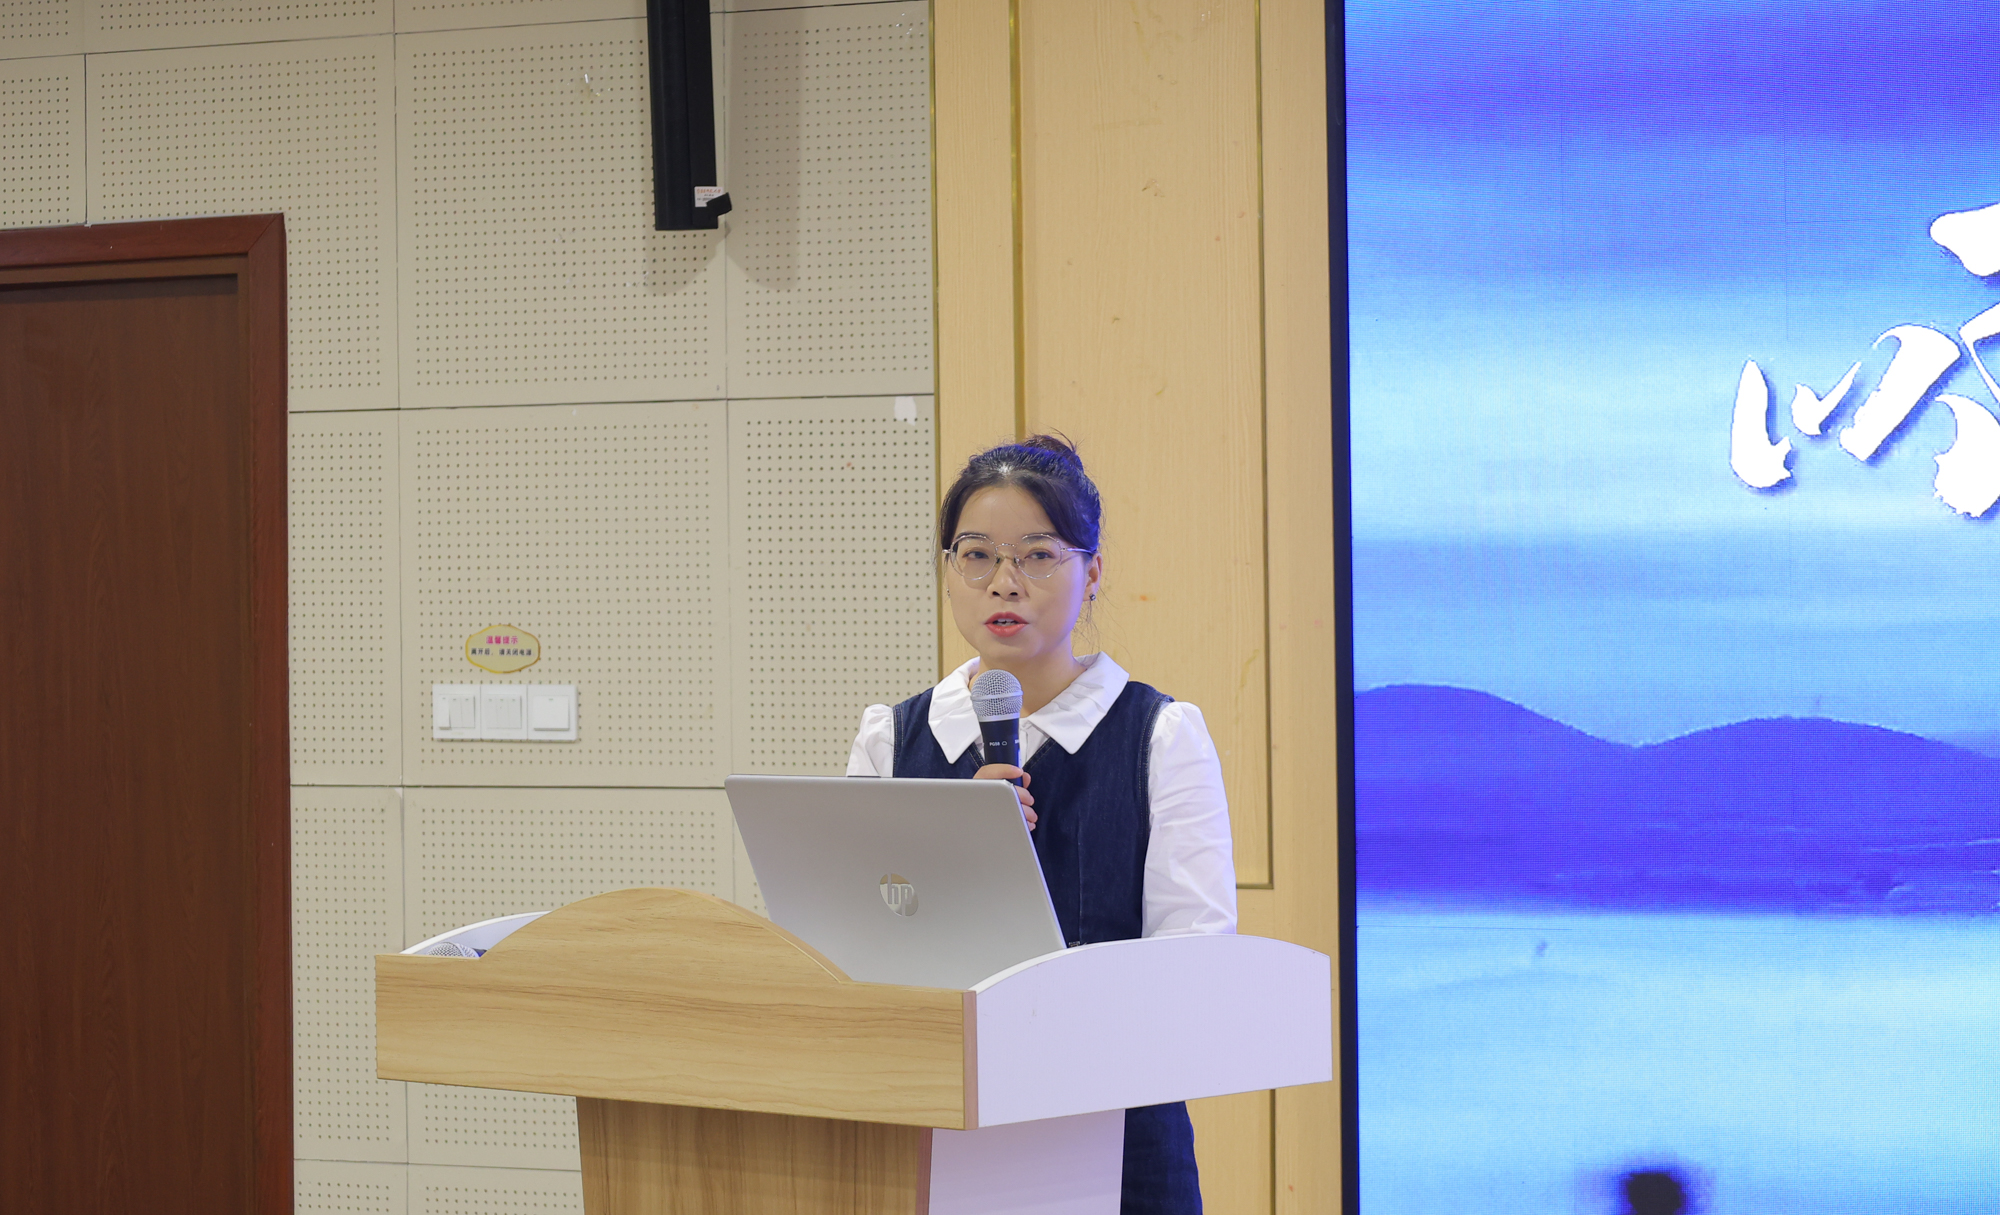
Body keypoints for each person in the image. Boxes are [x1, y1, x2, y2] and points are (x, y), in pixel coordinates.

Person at [846, 434, 1236, 1215]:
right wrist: (948, 859)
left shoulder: (1159, 735)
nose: (1004, 581)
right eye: (976, 555)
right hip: (933, 1133)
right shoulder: (892, 737)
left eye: (1037, 555)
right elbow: (851, 946)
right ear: (948, 571)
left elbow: (1194, 965)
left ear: (1092, 573)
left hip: (1115, 1141)